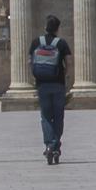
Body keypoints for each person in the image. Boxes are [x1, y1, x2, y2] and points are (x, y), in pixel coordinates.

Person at [29, 14, 72, 165]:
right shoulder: (61, 43)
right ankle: (55, 146)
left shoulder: (36, 42)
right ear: (58, 29)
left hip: (42, 84)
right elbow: (68, 63)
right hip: (58, 84)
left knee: (46, 116)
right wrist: (64, 76)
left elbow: (30, 62)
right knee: (58, 116)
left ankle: (49, 145)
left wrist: (37, 75)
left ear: (45, 27)